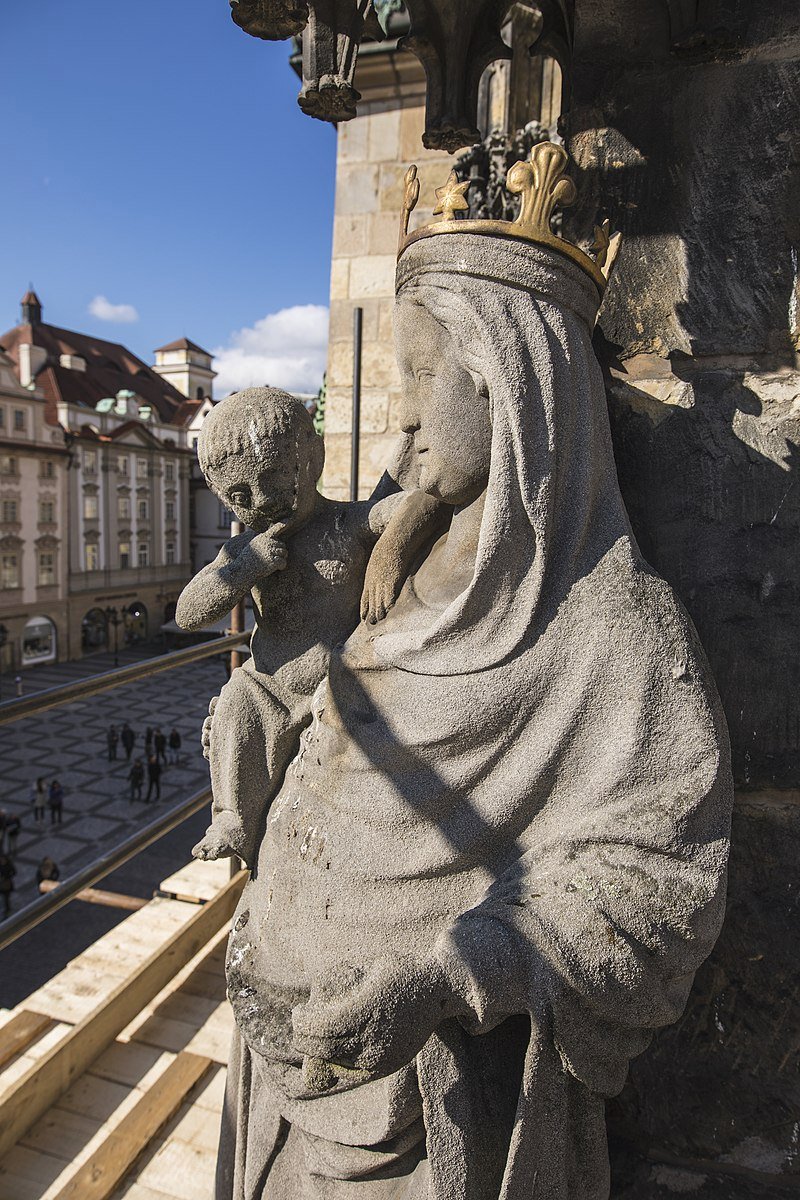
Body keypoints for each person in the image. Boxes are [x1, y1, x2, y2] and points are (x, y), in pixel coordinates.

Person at [215, 150, 733, 1200]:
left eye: (417, 380)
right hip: (274, 1041)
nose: (400, 420)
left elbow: (656, 885)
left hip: (414, 1110)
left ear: (511, 384)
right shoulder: (393, 577)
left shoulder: (610, 630)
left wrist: (452, 971)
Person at [176, 386, 444, 869]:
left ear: (312, 455)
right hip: (270, 688)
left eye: (276, 477)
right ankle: (232, 816)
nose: (261, 501)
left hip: (340, 680)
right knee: (238, 697)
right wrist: (240, 571)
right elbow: (188, 612)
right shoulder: (243, 552)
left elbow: (414, 504)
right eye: (239, 496)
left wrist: (388, 550)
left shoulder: (345, 523)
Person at [0, 853, 15, 918]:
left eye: (3, 859)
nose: (2, 860)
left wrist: (7, 877)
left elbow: (14, 872)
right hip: (0, 884)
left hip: (7, 884)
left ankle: (7, 909)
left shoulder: (9, 866)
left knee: (6, 898)